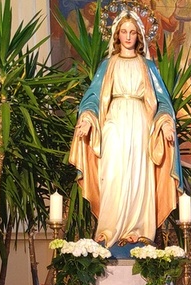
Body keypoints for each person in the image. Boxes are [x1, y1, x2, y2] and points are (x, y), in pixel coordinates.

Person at [69, 11, 181, 248]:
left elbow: (162, 102)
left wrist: (165, 123)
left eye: (132, 32)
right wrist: (87, 118)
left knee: (139, 176)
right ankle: (108, 229)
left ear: (139, 36)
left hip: (141, 124)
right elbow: (93, 97)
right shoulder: (107, 65)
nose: (128, 37)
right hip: (114, 123)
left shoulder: (147, 66)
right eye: (124, 32)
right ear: (117, 35)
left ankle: (138, 231)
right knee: (112, 173)